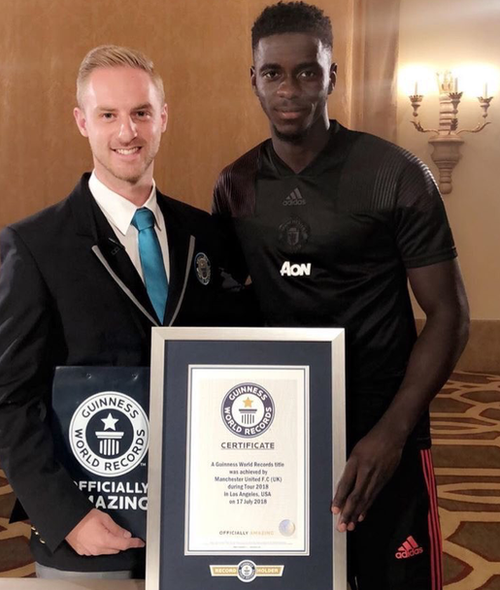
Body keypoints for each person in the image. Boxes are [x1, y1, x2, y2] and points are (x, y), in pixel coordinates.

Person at [212, 3, 470, 589]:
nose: (290, 89)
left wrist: (394, 430)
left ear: (332, 75)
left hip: (384, 429)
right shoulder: (235, 186)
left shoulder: (396, 174)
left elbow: (449, 314)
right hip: (279, 434)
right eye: (273, 73)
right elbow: (229, 312)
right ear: (253, 79)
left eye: (307, 72)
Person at [0, 45, 252, 579]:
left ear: (162, 118)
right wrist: (67, 517)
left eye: (140, 113)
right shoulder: (34, 245)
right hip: (92, 528)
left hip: (203, 515)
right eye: (108, 115)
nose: (127, 132)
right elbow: (8, 400)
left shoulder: (202, 234)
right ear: (81, 122)